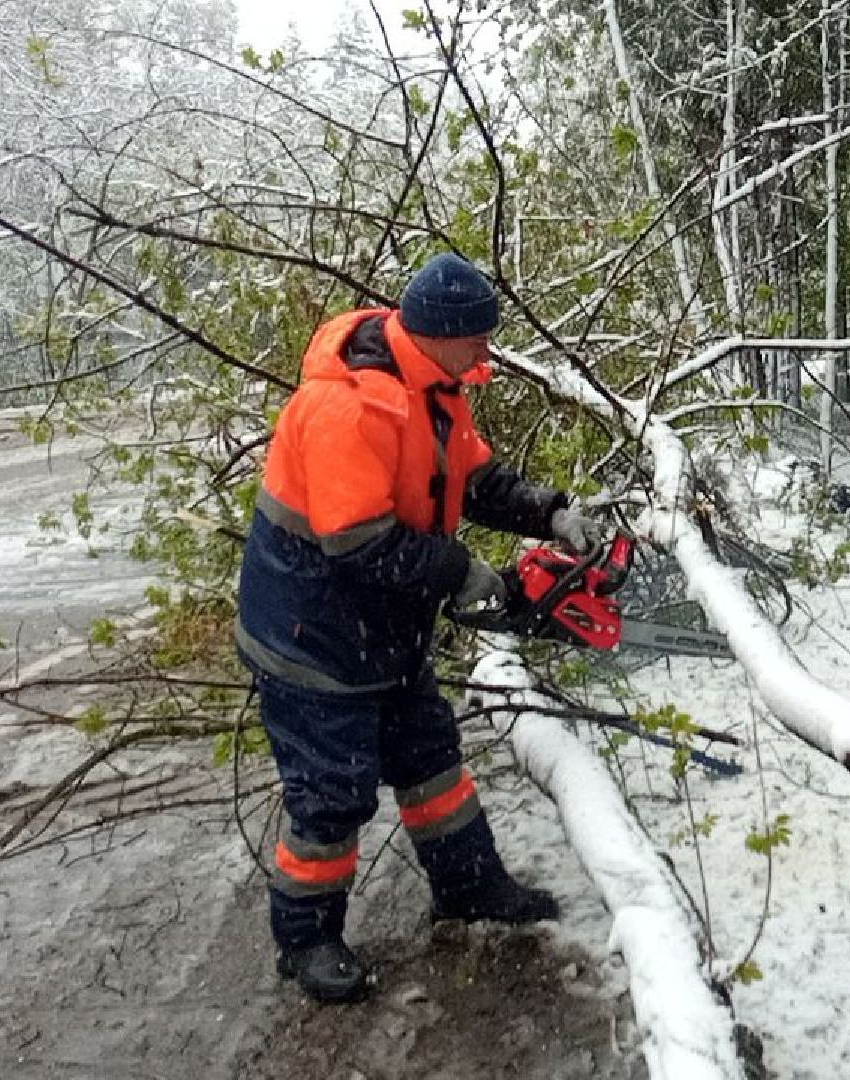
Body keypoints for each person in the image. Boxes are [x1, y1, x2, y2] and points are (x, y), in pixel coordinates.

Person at [234, 252, 609, 1003]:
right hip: (313, 633)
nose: (487, 354)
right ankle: (305, 941)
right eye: (479, 339)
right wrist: (462, 572)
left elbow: (473, 479)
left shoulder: (437, 387)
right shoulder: (349, 407)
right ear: (440, 333)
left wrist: (550, 511)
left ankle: (470, 887)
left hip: (385, 627)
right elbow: (358, 540)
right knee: (333, 794)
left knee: (431, 759)